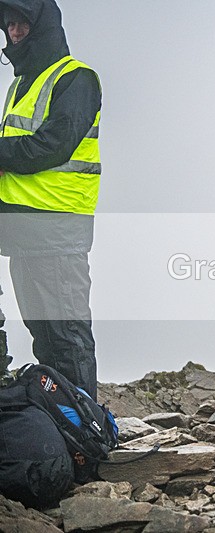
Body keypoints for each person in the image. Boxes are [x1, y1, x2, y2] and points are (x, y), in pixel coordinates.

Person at [0, 0, 101, 399]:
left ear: (44, 25)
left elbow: (52, 146)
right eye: (9, 24)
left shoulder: (77, 78)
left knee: (66, 335)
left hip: (58, 227)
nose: (15, 32)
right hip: (23, 228)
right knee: (42, 334)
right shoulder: (19, 86)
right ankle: (62, 431)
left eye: (22, 22)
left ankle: (87, 435)